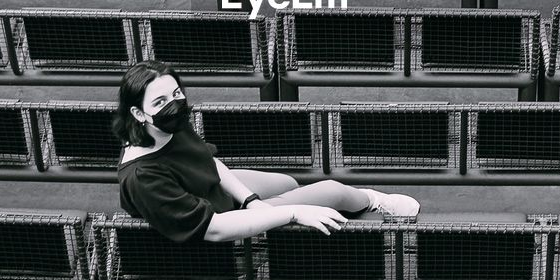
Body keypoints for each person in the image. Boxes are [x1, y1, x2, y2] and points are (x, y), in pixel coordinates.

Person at [114, 61, 420, 246]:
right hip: (216, 222)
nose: (175, 103)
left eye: (177, 93)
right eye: (160, 101)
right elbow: (215, 230)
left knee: (286, 183)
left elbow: (207, 161)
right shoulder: (143, 177)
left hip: (210, 190)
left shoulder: (166, 125)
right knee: (333, 190)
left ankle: (331, 207)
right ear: (138, 114)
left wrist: (251, 200)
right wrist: (290, 212)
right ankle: (373, 201)